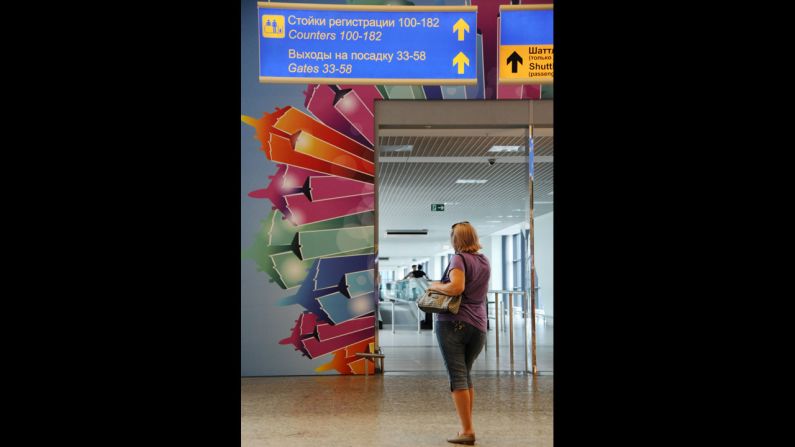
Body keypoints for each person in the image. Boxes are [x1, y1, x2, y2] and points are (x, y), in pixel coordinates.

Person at [428, 221, 490, 445]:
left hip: (454, 322)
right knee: (465, 374)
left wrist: (435, 286)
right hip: (478, 325)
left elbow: (456, 288)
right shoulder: (484, 261)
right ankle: (467, 426)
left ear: (456, 239)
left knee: (457, 376)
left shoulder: (458, 259)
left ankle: (467, 430)